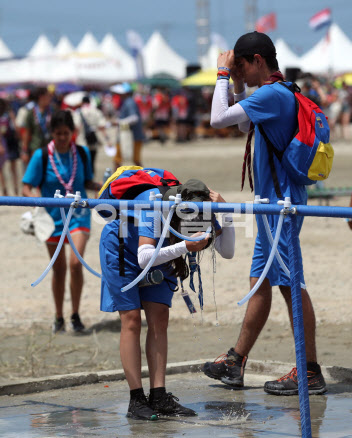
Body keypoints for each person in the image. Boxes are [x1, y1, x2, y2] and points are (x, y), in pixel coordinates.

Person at [203, 31, 327, 396]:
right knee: (260, 282)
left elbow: (217, 119)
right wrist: (237, 82)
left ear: (258, 60)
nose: (238, 72)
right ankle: (236, 361)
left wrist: (223, 76)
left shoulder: (272, 94)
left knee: (291, 284)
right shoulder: (280, 92)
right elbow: (242, 123)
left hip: (281, 207)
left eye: (241, 66)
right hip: (273, 205)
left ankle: (310, 371)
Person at [99, 175, 235, 420]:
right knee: (131, 319)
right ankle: (136, 399)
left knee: (160, 317)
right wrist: (184, 247)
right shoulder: (156, 206)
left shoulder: (207, 210)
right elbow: (144, 257)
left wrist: (225, 212)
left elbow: (227, 252)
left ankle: (159, 396)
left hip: (163, 251)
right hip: (123, 248)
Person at [22, 110, 102, 334]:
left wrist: (107, 186)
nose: (63, 138)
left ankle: (75, 314)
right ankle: (59, 316)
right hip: (51, 219)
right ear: (52, 133)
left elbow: (86, 181)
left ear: (73, 133)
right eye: (58, 134)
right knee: (58, 269)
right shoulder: (41, 156)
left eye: (66, 133)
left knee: (76, 264)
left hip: (78, 217)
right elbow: (26, 187)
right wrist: (35, 202)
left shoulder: (82, 153)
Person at [111, 83, 144, 169]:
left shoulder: (129, 102)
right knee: (129, 159)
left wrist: (119, 122)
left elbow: (134, 118)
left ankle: (116, 180)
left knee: (132, 160)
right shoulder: (127, 102)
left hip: (131, 136)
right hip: (130, 135)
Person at [73, 95, 110, 174]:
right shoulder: (96, 111)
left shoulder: (78, 112)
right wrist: (107, 139)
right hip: (94, 140)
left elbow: (76, 127)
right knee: (92, 161)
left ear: (82, 102)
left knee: (83, 161)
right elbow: (102, 126)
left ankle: (84, 179)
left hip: (82, 141)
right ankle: (91, 177)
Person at [0, 97, 20, 196]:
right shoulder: (9, 113)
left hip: (1, 141)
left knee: (0, 169)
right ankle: (16, 188)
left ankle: (4, 190)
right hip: (11, 141)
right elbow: (15, 126)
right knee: (13, 168)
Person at [21, 87, 52, 165]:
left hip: (51, 148)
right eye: (48, 95)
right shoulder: (31, 113)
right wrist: (24, 151)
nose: (50, 98)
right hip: (36, 148)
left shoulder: (52, 110)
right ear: (41, 97)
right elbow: (27, 133)